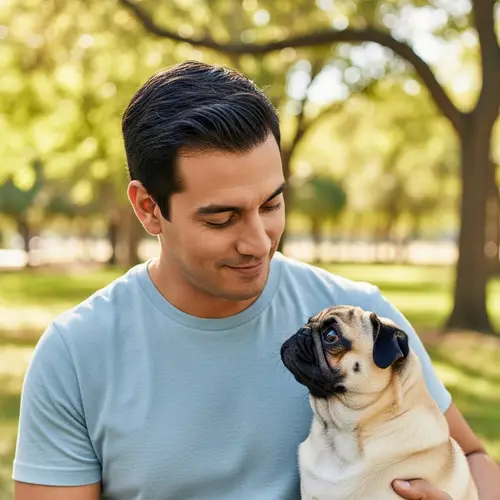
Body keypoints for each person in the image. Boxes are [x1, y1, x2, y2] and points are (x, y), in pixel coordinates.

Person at [13, 61, 499, 500]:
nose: (259, 242)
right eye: (221, 219)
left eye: (270, 205)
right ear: (148, 208)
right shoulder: (75, 354)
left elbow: (473, 459)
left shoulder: (360, 319)